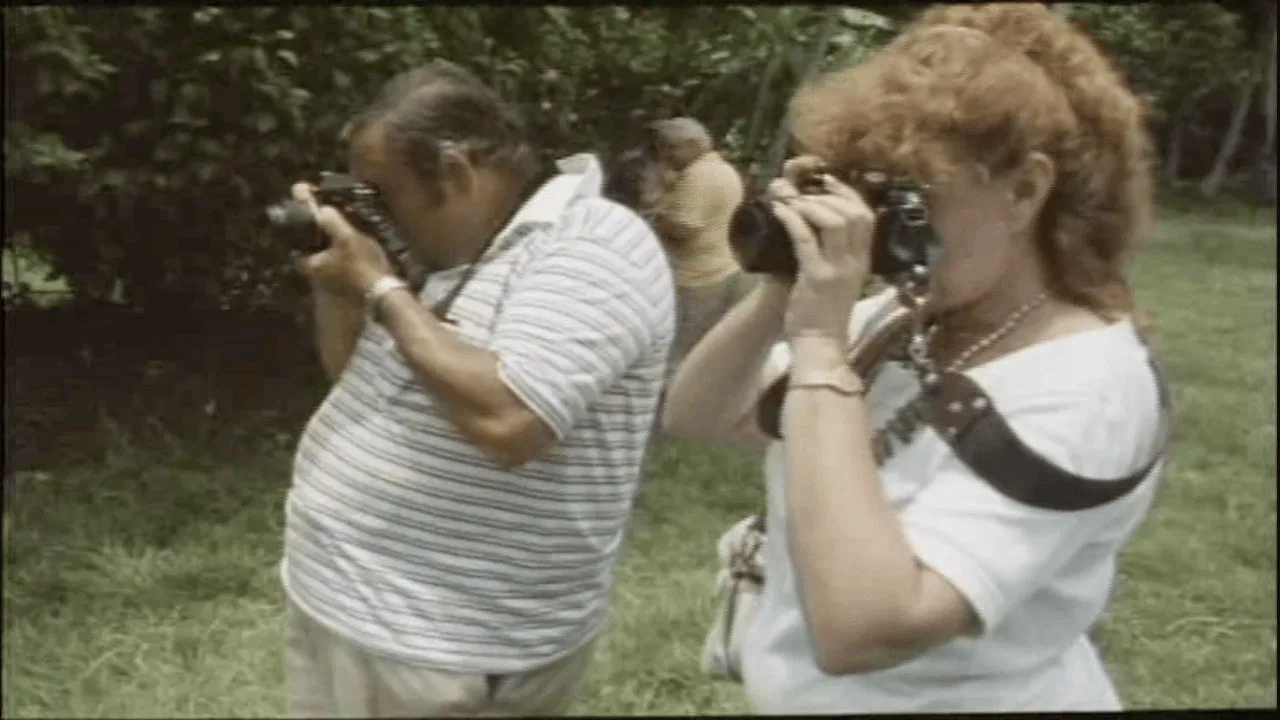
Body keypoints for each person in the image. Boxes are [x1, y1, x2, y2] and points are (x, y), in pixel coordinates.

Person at [663, 3, 1165, 713]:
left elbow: (864, 627)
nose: (875, 221)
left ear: (1024, 190)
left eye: (910, 194)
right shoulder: (909, 316)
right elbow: (701, 414)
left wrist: (817, 350)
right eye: (870, 186)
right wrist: (785, 285)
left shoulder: (1086, 386)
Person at [282, 61, 674, 717]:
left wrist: (382, 289)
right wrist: (338, 284)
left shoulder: (593, 245)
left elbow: (510, 422)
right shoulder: (456, 257)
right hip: (353, 606)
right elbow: (354, 375)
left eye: (385, 192)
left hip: (443, 644)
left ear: (459, 170)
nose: (378, 212)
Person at [647, 118, 755, 375]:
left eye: (671, 148)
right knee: (692, 347)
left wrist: (656, 217)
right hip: (719, 269)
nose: (666, 155)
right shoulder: (724, 170)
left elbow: (686, 227)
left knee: (674, 354)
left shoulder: (699, 176)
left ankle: (667, 407)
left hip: (695, 278)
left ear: (692, 145)